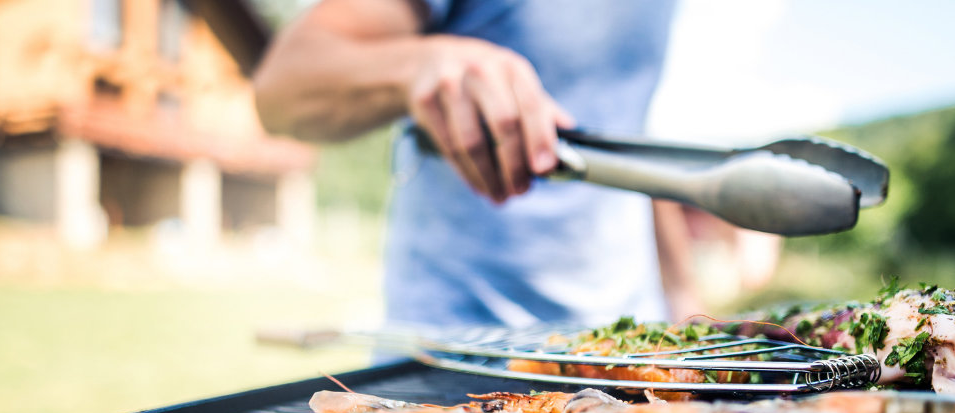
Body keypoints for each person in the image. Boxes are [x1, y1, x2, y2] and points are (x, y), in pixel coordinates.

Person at [254, 0, 701, 328]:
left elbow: (627, 131)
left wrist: (683, 295)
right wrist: (422, 62)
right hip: (457, 350)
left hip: (625, 339)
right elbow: (281, 87)